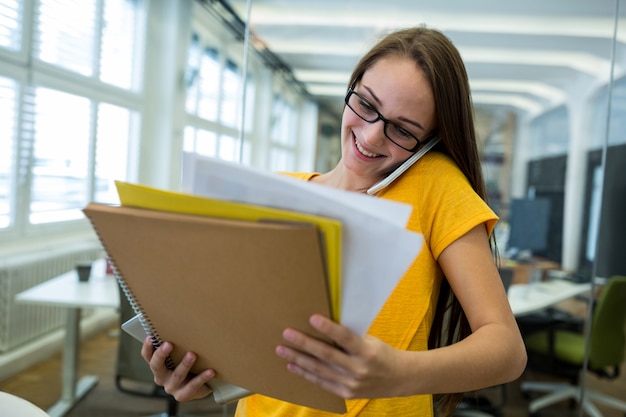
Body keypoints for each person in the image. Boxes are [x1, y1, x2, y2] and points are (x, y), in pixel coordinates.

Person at [141, 25, 527, 417]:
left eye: (402, 130)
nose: (373, 136)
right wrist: (197, 375)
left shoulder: (434, 185)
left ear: (428, 141)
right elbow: (251, 345)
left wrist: (398, 372)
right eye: (366, 105)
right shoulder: (276, 194)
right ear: (352, 85)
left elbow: (507, 350)